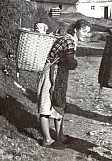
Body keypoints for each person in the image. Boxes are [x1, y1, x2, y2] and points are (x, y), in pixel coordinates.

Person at [37, 18, 91, 149]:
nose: (86, 34)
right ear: (76, 30)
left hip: (59, 73)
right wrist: (75, 63)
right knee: (46, 105)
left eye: (88, 32)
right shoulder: (69, 41)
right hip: (51, 72)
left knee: (59, 103)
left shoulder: (71, 40)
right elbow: (72, 63)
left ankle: (60, 136)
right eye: (84, 31)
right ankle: (47, 139)